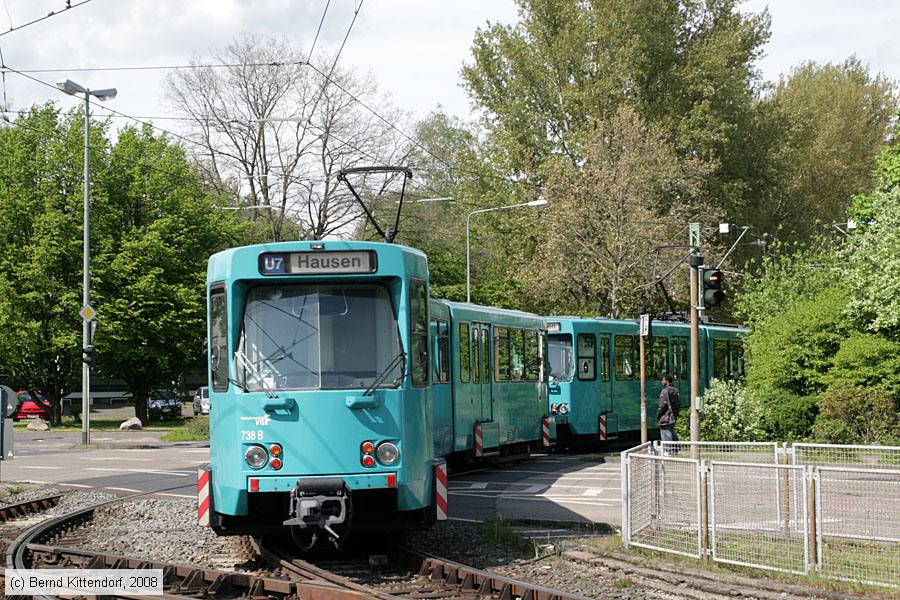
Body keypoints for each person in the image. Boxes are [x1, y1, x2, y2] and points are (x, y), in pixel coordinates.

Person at [657, 373, 680, 443]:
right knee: (672, 431)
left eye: (663, 380)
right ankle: (674, 450)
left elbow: (662, 405)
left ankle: (668, 451)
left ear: (666, 381)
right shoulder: (675, 390)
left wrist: (658, 414)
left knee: (666, 433)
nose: (662, 382)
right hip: (673, 416)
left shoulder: (665, 391)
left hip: (666, 417)